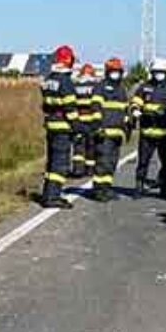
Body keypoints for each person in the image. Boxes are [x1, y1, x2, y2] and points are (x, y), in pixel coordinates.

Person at [131, 58, 166, 199]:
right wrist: (135, 110)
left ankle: (163, 189)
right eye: (156, 72)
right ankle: (139, 187)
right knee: (143, 161)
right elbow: (136, 101)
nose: (159, 74)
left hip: (165, 133)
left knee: (165, 163)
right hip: (147, 132)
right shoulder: (145, 87)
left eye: (161, 72)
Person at [38, 45, 79, 209]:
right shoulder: (65, 81)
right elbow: (70, 109)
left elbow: (46, 106)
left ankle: (47, 194)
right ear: (69, 60)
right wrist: (79, 128)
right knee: (60, 164)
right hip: (62, 128)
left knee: (51, 163)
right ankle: (53, 197)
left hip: (51, 126)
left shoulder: (49, 80)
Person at [90, 58, 131, 201]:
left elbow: (125, 111)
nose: (116, 74)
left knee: (112, 163)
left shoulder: (122, 89)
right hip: (104, 132)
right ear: (108, 72)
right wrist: (97, 126)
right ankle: (98, 190)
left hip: (117, 134)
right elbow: (95, 107)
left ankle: (107, 188)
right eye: (113, 71)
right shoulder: (100, 87)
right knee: (103, 162)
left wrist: (127, 127)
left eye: (118, 71)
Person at [69, 63, 101, 180]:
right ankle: (90, 170)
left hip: (78, 120)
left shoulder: (75, 84)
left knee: (78, 146)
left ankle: (78, 169)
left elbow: (71, 103)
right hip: (92, 120)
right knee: (91, 145)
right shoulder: (97, 85)